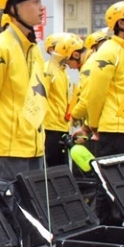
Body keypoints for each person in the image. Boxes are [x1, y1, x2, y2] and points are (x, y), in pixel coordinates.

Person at [0, 0, 58, 197]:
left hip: (34, 146)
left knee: (34, 210)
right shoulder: (1, 48)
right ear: (13, 7)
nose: (41, 8)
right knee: (11, 210)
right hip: (8, 150)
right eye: (35, 1)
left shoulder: (33, 49)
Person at [71, 1, 124, 157]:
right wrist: (93, 125)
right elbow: (96, 93)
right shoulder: (109, 51)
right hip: (115, 131)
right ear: (121, 23)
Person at [43, 32, 83, 167]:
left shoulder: (63, 72)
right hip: (50, 128)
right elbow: (40, 97)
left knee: (62, 167)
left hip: (62, 127)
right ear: (51, 49)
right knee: (53, 168)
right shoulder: (47, 69)